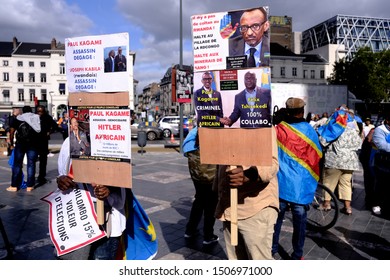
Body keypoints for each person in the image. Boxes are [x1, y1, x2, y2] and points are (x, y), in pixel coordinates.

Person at [213, 128, 279, 259]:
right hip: (229, 207)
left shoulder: (260, 122)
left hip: (255, 208)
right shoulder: (224, 123)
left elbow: (272, 163)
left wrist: (248, 175)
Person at [56, 136, 126, 259]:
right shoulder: (70, 141)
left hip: (107, 220)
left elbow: (122, 183)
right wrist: (62, 180)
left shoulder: (115, 140)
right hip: (76, 219)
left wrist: (109, 190)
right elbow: (62, 171)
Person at [272, 98, 322, 260]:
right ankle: (297, 254)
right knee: (300, 221)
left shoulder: (279, 129)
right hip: (300, 186)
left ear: (287, 111)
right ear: (302, 112)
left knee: (276, 219)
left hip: (282, 183)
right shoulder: (309, 130)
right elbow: (317, 156)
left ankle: (271, 249)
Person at [319, 108, 362, 215]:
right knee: (346, 184)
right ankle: (348, 207)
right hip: (350, 162)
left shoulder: (334, 129)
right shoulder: (352, 130)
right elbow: (358, 144)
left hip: (335, 160)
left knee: (329, 182)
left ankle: (326, 204)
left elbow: (323, 142)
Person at [182, 125, 219, 244]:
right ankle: (208, 235)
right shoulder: (216, 129)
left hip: (195, 169)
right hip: (210, 170)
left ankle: (190, 230)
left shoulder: (196, 129)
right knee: (211, 203)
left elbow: (186, 146)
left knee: (199, 199)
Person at [7, 106, 41, 192]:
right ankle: (30, 186)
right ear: (31, 111)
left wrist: (11, 143)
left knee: (17, 164)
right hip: (32, 144)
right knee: (31, 164)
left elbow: (11, 131)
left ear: (23, 111)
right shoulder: (36, 118)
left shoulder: (18, 119)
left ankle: (14, 186)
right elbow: (40, 132)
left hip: (20, 144)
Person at [370, 112, 390, 216]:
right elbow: (382, 146)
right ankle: (377, 204)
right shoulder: (380, 130)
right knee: (381, 185)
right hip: (383, 163)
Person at [36, 105, 57, 185]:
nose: (40, 113)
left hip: (43, 140)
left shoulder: (47, 117)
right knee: (32, 160)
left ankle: (41, 176)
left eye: (41, 111)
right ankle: (32, 176)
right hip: (34, 140)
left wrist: (50, 131)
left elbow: (55, 126)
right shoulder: (34, 117)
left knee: (43, 160)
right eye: (38, 111)